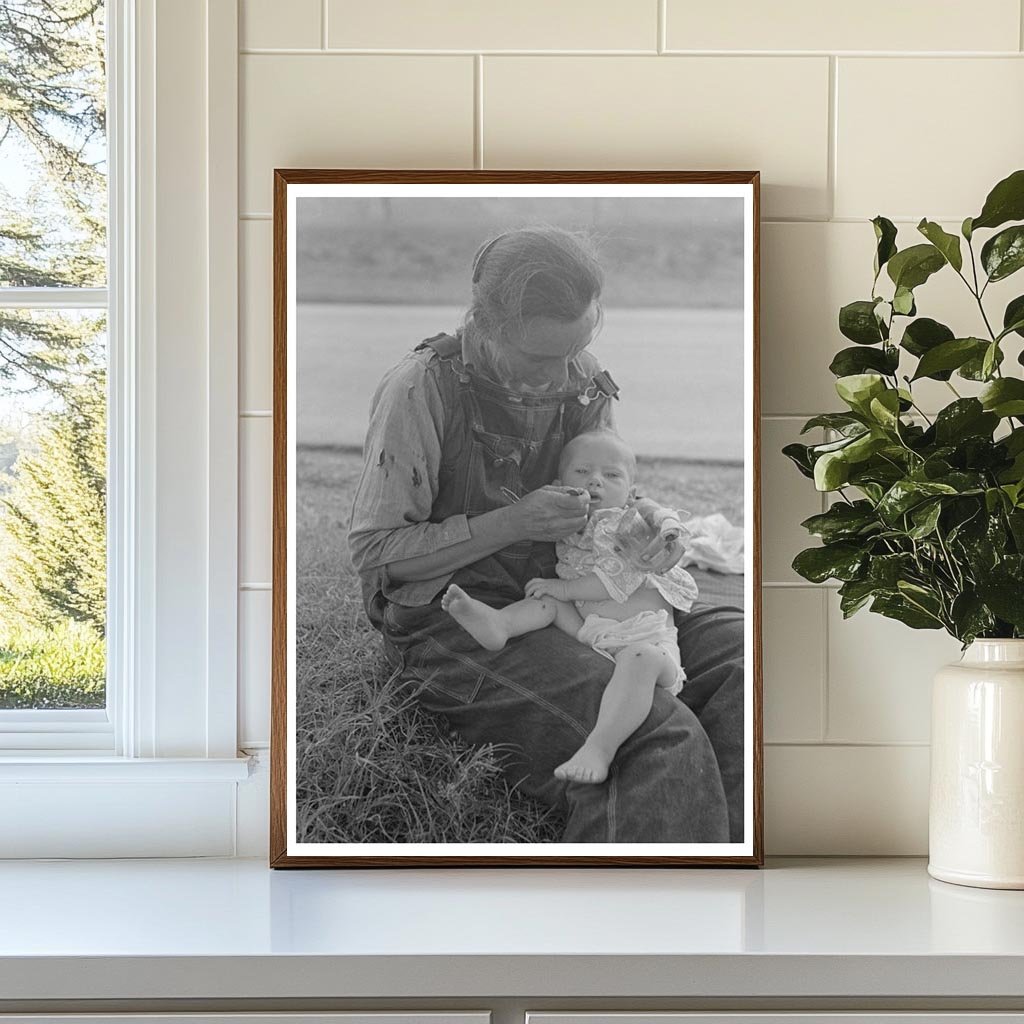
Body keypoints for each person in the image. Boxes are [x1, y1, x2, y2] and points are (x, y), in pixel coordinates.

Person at [348, 225, 745, 843]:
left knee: (748, 667)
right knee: (654, 736)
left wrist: (644, 539)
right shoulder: (418, 390)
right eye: (540, 359)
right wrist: (512, 522)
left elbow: (612, 495)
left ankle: (733, 895)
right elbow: (377, 556)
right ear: (485, 324)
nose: (565, 375)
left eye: (579, 346)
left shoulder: (581, 377)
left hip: (588, 594)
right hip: (456, 613)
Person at [441, 428, 698, 786]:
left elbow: (614, 579)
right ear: (559, 483)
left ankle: (600, 747)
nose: (596, 481)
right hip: (589, 631)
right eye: (582, 472)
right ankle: (499, 624)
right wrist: (556, 592)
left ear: (630, 492)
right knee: (543, 602)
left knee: (638, 658)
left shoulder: (631, 524)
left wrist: (667, 523)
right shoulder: (570, 526)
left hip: (648, 642)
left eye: (611, 475)